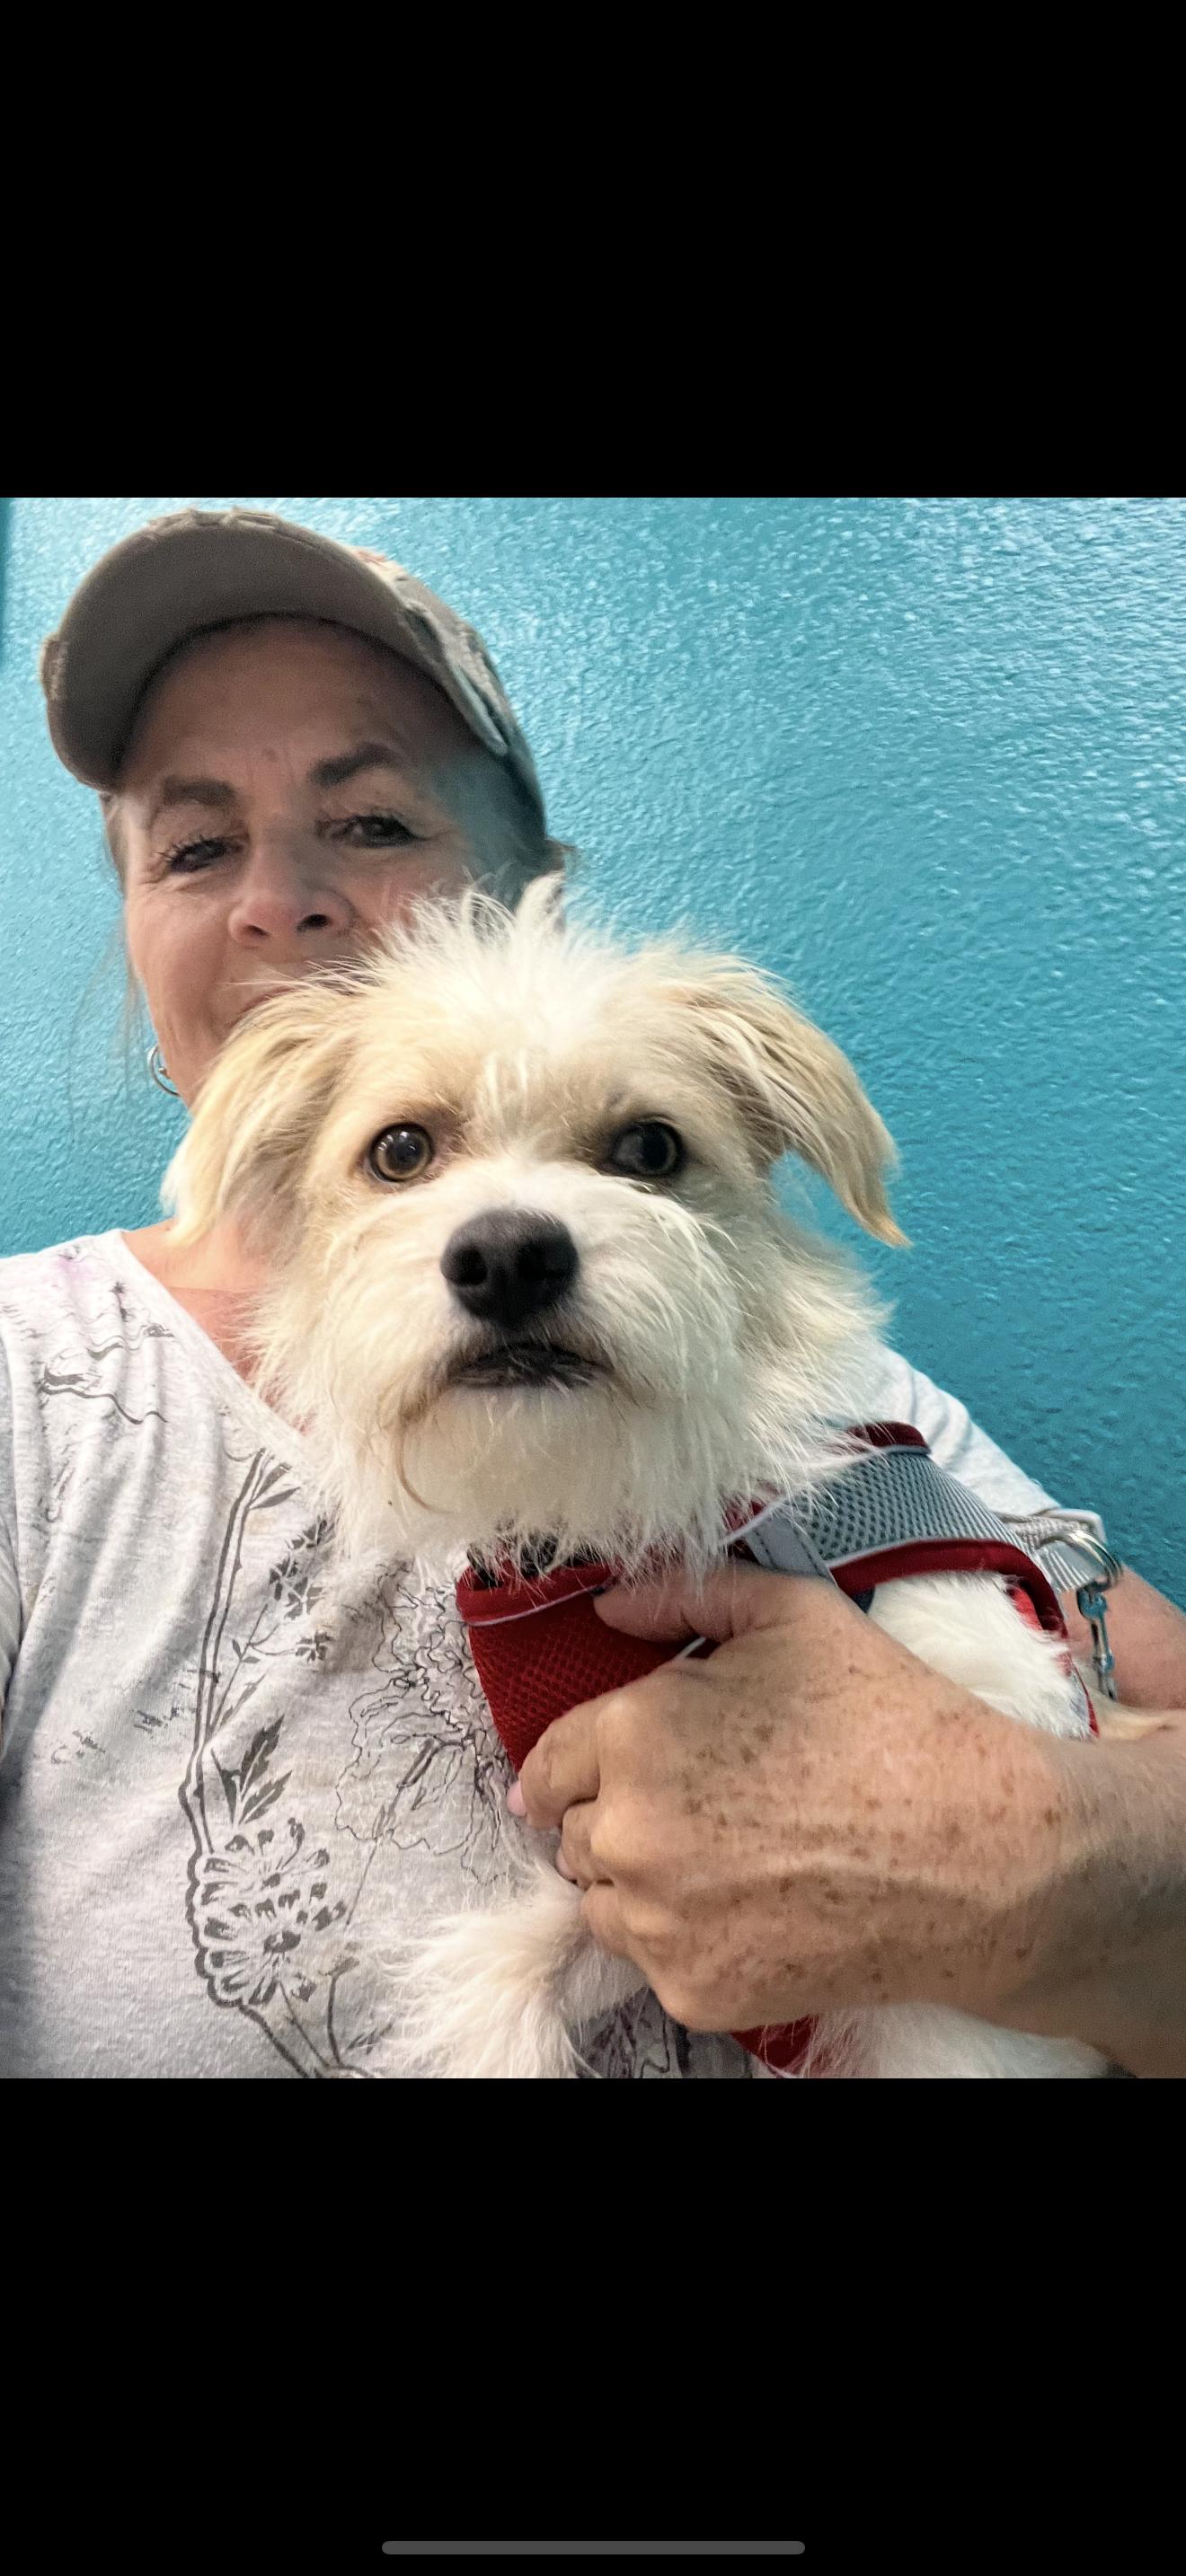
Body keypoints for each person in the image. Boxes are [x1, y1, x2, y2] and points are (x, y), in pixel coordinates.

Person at [2, 505, 1183, 2079]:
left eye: (371, 823)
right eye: (196, 844)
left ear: (529, 884)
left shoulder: (839, 1440)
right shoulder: (36, 1392)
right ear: (141, 938)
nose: (275, 898)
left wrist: (1068, 1864)